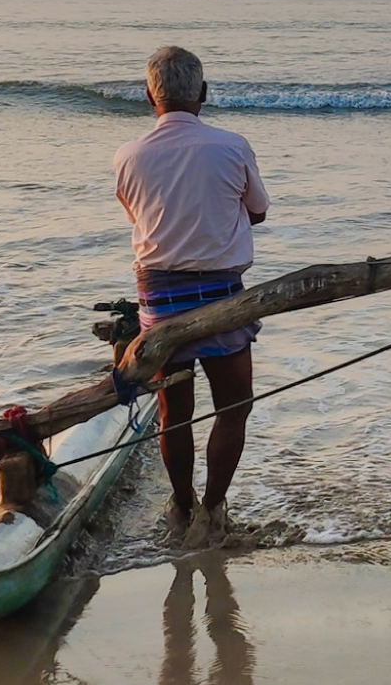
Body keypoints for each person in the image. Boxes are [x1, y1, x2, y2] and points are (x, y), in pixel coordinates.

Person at [113, 46, 270, 548]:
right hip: (223, 294)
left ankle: (181, 507)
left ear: (148, 96)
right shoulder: (231, 146)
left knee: (172, 413)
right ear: (202, 94)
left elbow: (136, 215)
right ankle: (213, 509)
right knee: (233, 406)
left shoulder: (129, 155)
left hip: (158, 297)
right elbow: (259, 211)